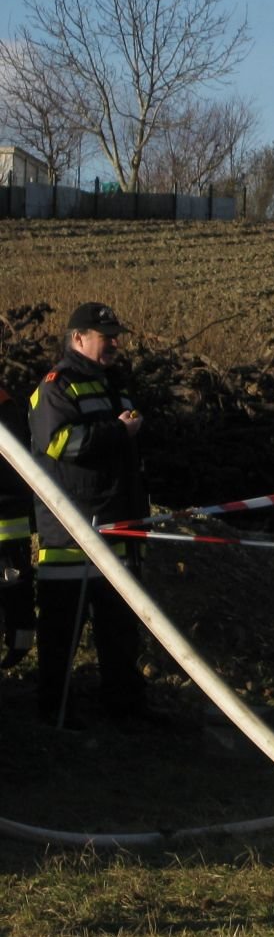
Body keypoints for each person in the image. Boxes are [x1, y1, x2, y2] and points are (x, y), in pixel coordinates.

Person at [28, 301, 153, 731]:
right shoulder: (56, 387)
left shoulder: (113, 383)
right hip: (72, 534)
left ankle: (125, 708)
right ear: (78, 338)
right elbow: (61, 443)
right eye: (106, 337)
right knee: (62, 631)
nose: (115, 344)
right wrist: (119, 430)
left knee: (120, 629)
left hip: (118, 528)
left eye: (116, 337)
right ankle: (55, 713)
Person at [0, 383, 36, 670]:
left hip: (7, 518)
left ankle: (19, 643)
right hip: (11, 518)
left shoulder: (3, 405)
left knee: (14, 588)